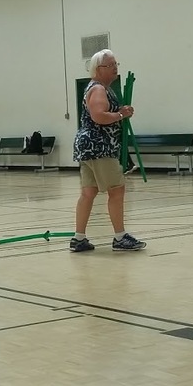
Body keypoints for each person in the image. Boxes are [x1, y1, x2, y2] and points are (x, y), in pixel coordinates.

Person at [71, 49, 146, 251]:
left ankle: (78, 238)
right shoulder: (98, 89)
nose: (115, 68)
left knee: (88, 192)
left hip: (89, 147)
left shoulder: (98, 88)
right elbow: (99, 116)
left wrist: (121, 113)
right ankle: (120, 237)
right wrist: (121, 115)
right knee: (116, 189)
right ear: (99, 68)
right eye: (111, 65)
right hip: (99, 146)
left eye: (116, 65)